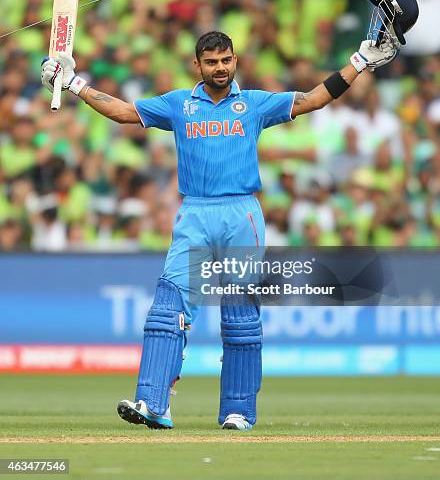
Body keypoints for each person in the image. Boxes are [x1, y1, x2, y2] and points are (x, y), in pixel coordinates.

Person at [41, 29, 397, 430]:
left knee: (240, 316)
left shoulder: (255, 104)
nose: (220, 68)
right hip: (194, 212)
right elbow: (123, 111)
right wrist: (73, 83)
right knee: (166, 309)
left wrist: (360, 61)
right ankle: (153, 402)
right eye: (212, 62)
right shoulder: (179, 104)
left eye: (226, 60)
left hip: (241, 213)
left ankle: (239, 412)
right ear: (198, 66)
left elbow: (313, 98)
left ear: (235, 60)